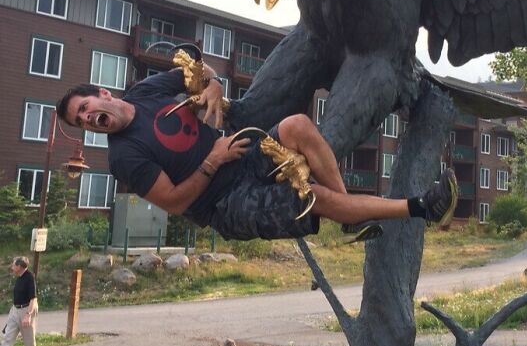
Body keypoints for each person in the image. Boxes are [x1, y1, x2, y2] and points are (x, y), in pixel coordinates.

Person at [56, 69, 457, 242]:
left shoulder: (144, 92)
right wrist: (212, 160)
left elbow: (199, 72)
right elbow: (175, 202)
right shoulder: (123, 157)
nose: (88, 119)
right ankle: (423, 207)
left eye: (86, 108)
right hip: (226, 204)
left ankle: (351, 216)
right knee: (312, 197)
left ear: (103, 94)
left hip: (241, 152)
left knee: (297, 125)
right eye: (82, 121)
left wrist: (214, 86)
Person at [0, 257, 38, 346]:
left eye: (13, 265)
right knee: (7, 337)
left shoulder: (29, 277)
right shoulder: (19, 277)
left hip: (26, 310)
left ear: (19, 266)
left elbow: (33, 299)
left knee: (29, 341)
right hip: (15, 310)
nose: (12, 267)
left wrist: (28, 315)